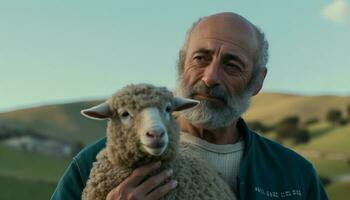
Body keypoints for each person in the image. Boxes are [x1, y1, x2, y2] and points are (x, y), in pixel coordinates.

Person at [51, 12, 328, 200]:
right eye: (200, 58)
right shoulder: (94, 164)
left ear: (257, 81)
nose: (210, 77)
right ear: (181, 65)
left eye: (232, 65)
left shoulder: (294, 176)